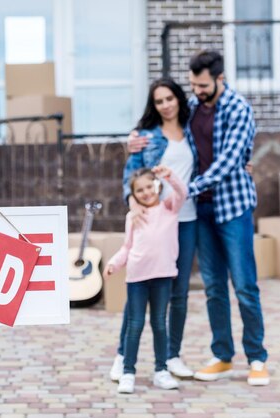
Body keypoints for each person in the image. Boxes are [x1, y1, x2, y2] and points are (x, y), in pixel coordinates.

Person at [128, 50, 269, 386]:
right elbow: (169, 131)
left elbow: (229, 162)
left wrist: (185, 188)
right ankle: (222, 355)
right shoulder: (193, 107)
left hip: (232, 207)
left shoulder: (239, 110)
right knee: (213, 287)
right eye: (193, 85)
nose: (197, 90)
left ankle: (257, 358)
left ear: (220, 78)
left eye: (203, 85)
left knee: (245, 286)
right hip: (201, 211)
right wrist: (134, 140)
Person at [109, 78, 197, 382]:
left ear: (178, 99)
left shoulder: (193, 131)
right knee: (140, 288)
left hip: (187, 218)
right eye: (159, 101)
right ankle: (123, 356)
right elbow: (130, 176)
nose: (166, 105)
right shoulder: (145, 136)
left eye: (170, 98)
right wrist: (132, 203)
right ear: (154, 105)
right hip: (155, 220)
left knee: (179, 293)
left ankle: (171, 357)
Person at [104, 166, 187, 394]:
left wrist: (169, 175)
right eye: (140, 190)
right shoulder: (133, 217)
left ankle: (161, 371)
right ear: (133, 195)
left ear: (157, 186)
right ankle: (128, 372)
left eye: (149, 187)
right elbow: (127, 247)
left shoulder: (169, 208)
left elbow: (182, 192)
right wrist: (114, 263)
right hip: (137, 279)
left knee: (160, 324)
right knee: (135, 324)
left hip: (162, 277)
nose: (146, 192)